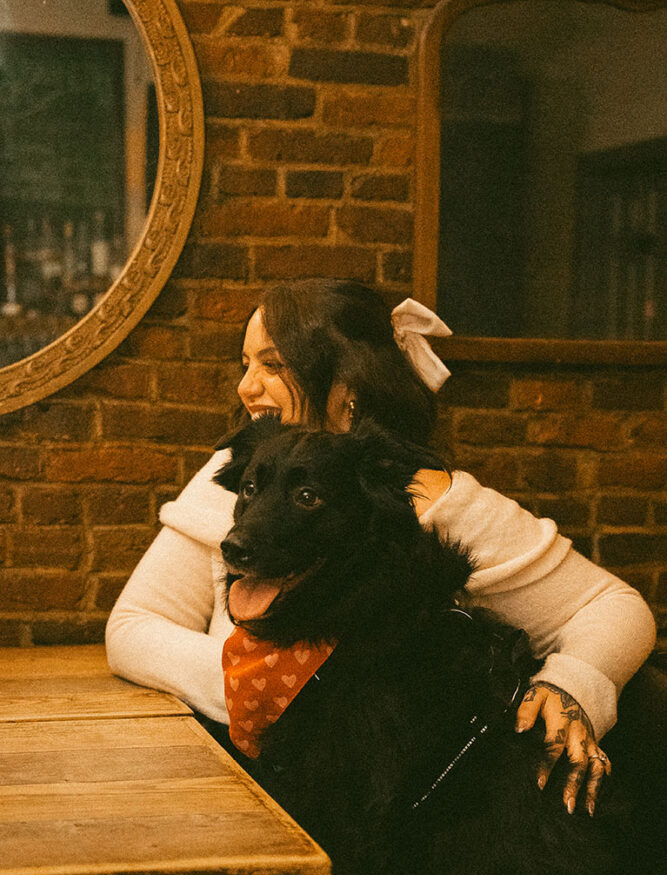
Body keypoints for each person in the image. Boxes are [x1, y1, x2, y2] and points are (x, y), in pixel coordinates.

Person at [106, 278, 656, 817]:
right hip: (226, 783)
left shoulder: (430, 498)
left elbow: (614, 607)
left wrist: (573, 684)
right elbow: (133, 626)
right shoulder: (232, 473)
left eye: (273, 365)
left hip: (382, 807)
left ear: (349, 387)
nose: (246, 387)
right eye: (244, 364)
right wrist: (268, 688)